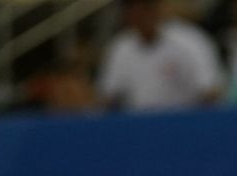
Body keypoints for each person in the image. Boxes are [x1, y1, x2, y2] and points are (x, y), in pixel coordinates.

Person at [97, 0, 226, 111]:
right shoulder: (120, 47)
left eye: (145, 7)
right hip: (137, 127)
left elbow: (211, 92)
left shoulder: (190, 42)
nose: (139, 14)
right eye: (132, 8)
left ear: (157, 7)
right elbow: (106, 97)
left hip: (183, 124)